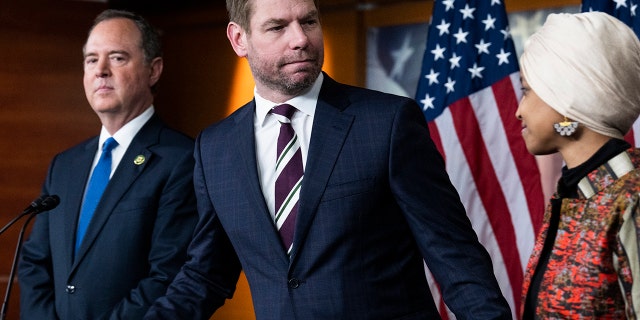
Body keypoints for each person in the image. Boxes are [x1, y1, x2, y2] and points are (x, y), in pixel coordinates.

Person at [145, 0, 512, 319]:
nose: (301, 39)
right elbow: (206, 274)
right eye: (277, 27)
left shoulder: (387, 122)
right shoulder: (215, 147)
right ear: (239, 39)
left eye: (308, 21)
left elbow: (455, 257)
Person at [17, 9, 198, 319]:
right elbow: (35, 262)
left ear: (153, 70)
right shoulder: (65, 165)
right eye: (91, 60)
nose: (100, 70)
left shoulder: (182, 159)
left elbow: (168, 276)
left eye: (117, 58)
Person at [516, 12, 640, 319]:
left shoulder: (631, 199)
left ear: (568, 100)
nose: (519, 111)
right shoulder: (574, 195)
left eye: (527, 91)